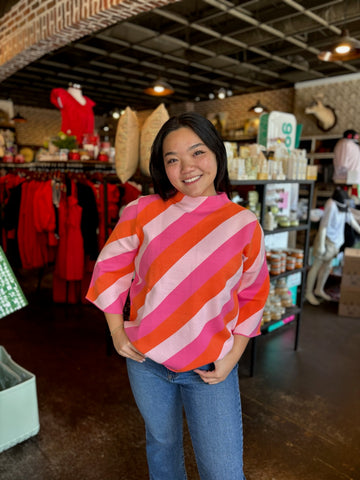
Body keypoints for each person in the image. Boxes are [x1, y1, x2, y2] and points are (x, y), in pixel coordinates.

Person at [86, 112, 270, 480]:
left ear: (217, 153)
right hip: (146, 362)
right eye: (173, 159)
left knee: (223, 470)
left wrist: (233, 356)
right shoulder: (142, 211)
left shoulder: (243, 223)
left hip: (210, 367)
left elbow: (254, 292)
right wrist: (118, 333)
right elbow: (109, 270)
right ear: (162, 167)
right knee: (162, 449)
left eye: (197, 152)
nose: (187, 167)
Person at [305, 187, 360, 306]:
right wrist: (320, 245)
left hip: (337, 242)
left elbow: (351, 220)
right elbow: (323, 226)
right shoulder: (331, 204)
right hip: (326, 241)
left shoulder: (344, 204)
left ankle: (319, 289)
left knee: (327, 266)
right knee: (316, 266)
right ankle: (308, 292)